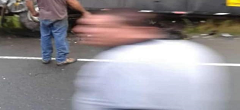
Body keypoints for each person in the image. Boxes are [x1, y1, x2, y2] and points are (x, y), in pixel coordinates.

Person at [71, 8, 230, 110]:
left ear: (126, 28)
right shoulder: (194, 51)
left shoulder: (117, 61)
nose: (81, 30)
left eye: (97, 27)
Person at [25, 0, 90, 66]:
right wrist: (83, 11)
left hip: (44, 17)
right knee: (60, 37)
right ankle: (61, 59)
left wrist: (33, 12)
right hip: (59, 16)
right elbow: (71, 1)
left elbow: (28, 1)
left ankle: (46, 58)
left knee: (45, 37)